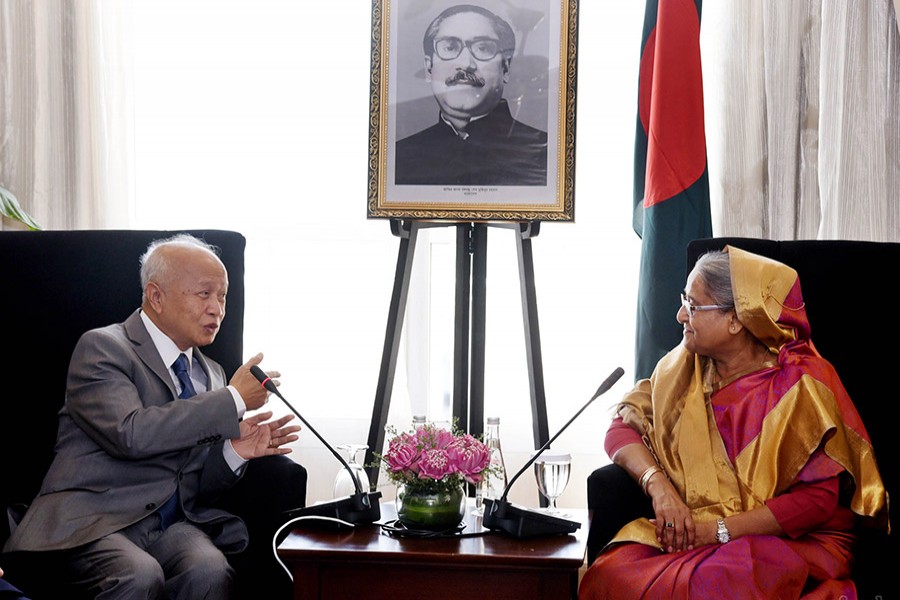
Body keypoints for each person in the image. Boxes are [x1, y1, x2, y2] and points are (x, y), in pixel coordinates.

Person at [3, 234, 301, 599]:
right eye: (203, 294)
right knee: (138, 575)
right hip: (95, 520)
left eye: (222, 296)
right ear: (156, 297)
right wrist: (234, 399)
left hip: (169, 525)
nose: (217, 309)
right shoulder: (104, 348)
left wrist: (234, 452)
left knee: (210, 570)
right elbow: (132, 434)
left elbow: (192, 481)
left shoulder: (212, 373)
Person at [579, 246, 888, 599]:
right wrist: (660, 489)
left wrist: (716, 531)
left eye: (693, 306)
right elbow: (621, 427)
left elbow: (817, 501)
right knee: (612, 573)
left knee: (720, 582)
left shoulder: (802, 383)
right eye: (684, 300)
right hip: (695, 533)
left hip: (790, 541)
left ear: (737, 318)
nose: (680, 315)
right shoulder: (681, 370)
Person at [395, 4, 548, 186]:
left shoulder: (546, 155)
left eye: (483, 48)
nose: (465, 64)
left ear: (505, 68)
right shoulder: (399, 157)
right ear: (429, 68)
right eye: (450, 47)